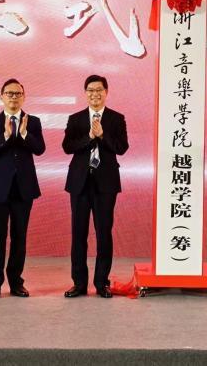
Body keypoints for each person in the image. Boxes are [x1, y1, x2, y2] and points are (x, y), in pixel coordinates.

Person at [62, 75, 129, 298]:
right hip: (79, 183)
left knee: (104, 234)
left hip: (106, 184)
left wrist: (103, 135)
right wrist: (90, 136)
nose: (95, 94)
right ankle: (79, 284)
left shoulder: (117, 118)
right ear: (85, 93)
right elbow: (67, 146)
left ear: (106, 92)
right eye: (90, 90)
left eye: (99, 90)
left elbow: (122, 148)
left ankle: (102, 283)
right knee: (78, 234)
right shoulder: (76, 119)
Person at [0, 78, 45, 299]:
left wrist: (25, 134)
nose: (14, 97)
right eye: (9, 93)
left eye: (18, 94)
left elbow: (40, 149)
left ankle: (16, 282)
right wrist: (6, 135)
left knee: (19, 237)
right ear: (1, 97)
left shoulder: (33, 122)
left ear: (24, 97)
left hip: (24, 188)